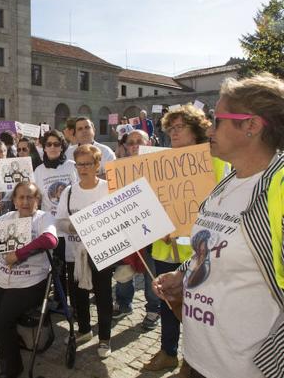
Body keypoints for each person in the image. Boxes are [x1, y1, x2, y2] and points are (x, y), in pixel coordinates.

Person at [153, 73, 284, 378]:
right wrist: (182, 275)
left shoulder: (277, 189)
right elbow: (209, 250)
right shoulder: (224, 184)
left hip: (246, 368)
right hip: (198, 360)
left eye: (218, 120)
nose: (209, 128)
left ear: (250, 125)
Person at [144, 103, 212, 374]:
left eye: (179, 127)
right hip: (164, 248)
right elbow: (150, 202)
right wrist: (155, 223)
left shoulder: (215, 161)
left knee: (199, 312)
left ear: (196, 130)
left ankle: (194, 361)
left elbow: (215, 206)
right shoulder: (160, 162)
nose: (173, 132)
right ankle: (168, 352)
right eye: (170, 128)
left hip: (200, 253)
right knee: (168, 303)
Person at [0, 182, 58, 378]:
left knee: (1, 322)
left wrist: (19, 254)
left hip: (29, 282)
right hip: (0, 279)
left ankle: (12, 369)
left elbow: (50, 240)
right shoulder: (7, 218)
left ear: (37, 200)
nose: (25, 201)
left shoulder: (43, 218)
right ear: (14, 201)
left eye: (30, 197)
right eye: (21, 197)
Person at [55, 144, 112, 358]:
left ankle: (105, 338)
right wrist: (72, 226)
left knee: (103, 296)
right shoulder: (69, 192)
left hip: (102, 252)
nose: (83, 168)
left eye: (88, 163)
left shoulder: (108, 188)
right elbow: (59, 220)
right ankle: (85, 330)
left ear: (97, 165)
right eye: (80, 164)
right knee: (78, 295)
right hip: (75, 252)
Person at [112, 130, 161, 331]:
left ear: (148, 142)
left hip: (153, 229)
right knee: (124, 271)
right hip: (127, 229)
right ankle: (123, 303)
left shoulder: (159, 166)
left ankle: (153, 308)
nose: (134, 145)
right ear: (125, 146)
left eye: (139, 141)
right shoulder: (118, 169)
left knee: (152, 273)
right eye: (130, 142)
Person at [33, 129, 77, 310]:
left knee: (73, 268)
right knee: (57, 267)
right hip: (51, 225)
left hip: (71, 224)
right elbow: (37, 197)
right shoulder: (38, 170)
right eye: (48, 144)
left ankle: (76, 303)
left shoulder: (71, 165)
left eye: (56, 144)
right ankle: (60, 301)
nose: (52, 148)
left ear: (62, 147)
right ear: (43, 148)